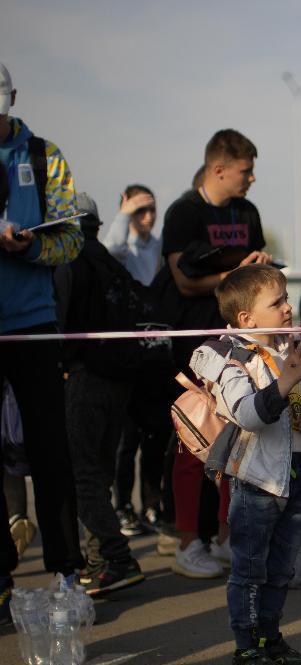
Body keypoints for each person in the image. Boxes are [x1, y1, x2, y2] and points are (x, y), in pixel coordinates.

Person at [190, 263, 301, 665]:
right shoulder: (227, 356)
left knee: (282, 569)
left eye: (286, 298)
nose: (288, 307)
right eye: (277, 302)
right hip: (255, 481)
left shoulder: (292, 346)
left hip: (298, 475)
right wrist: (286, 381)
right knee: (250, 571)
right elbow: (249, 415)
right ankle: (247, 646)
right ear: (246, 318)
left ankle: (271, 639)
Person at [154, 128, 273, 579]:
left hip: (238, 340)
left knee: (237, 439)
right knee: (195, 439)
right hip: (193, 342)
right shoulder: (183, 212)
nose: (252, 178)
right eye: (246, 171)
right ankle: (188, 541)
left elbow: (252, 281)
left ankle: (225, 536)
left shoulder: (249, 211)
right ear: (219, 169)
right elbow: (184, 282)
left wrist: (256, 272)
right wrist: (233, 275)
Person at [0, 60, 87, 623]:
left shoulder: (44, 155)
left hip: (32, 322)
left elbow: (71, 238)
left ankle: (67, 573)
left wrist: (30, 247)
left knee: (52, 450)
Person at [54, 193, 147, 596]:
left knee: (83, 474)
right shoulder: (111, 263)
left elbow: (58, 319)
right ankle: (100, 562)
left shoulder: (68, 261)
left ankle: (116, 557)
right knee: (100, 473)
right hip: (119, 381)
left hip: (84, 377)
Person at [103, 183, 168, 536]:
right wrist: (124, 214)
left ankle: (152, 505)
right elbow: (110, 250)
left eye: (151, 208)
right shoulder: (121, 245)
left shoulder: (157, 246)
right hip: (127, 353)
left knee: (155, 434)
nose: (148, 216)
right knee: (126, 440)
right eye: (140, 209)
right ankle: (122, 506)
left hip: (154, 350)